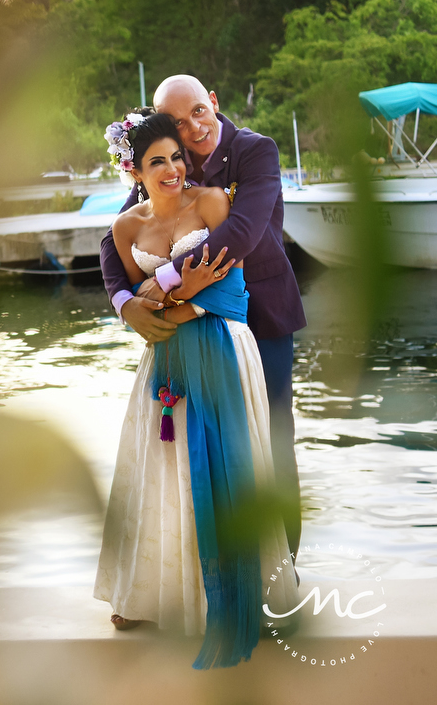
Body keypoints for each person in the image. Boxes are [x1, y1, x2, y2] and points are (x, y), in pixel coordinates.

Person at [92, 111, 297, 669]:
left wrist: (165, 306)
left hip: (224, 346)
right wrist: (151, 299)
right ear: (136, 169)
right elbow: (132, 302)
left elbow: (231, 290)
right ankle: (155, 594)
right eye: (158, 160)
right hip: (164, 358)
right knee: (162, 469)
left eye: (177, 157)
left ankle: (237, 590)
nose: (174, 168)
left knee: (231, 464)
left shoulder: (210, 204)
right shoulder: (124, 229)